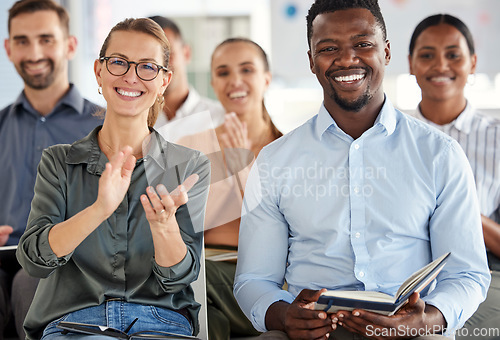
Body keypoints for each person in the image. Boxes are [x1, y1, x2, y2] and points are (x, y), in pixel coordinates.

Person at [234, 0, 491, 339]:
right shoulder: (274, 161)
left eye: (363, 44)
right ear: (311, 61)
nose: (346, 59)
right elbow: (254, 280)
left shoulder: (439, 154)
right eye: (328, 48)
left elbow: (467, 274)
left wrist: (425, 320)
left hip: (412, 331)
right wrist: (283, 316)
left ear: (385, 52)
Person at [15, 17, 210, 340]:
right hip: (74, 324)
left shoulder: (188, 165)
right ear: (99, 72)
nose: (131, 77)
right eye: (118, 62)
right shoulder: (59, 161)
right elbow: (35, 261)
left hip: (160, 323)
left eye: (147, 67)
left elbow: (179, 279)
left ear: (164, 80)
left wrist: (163, 227)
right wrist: (99, 209)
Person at [0, 0, 103, 339]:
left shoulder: (104, 127)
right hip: (4, 255)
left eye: (46, 39)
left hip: (71, 259)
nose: (34, 53)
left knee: (31, 282)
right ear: (8, 49)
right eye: (22, 41)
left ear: (70, 45)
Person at [407, 14, 500, 339]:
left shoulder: (496, 139)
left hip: (481, 276)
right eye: (427, 54)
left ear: (472, 63)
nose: (440, 65)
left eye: (453, 54)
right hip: (402, 277)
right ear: (410, 63)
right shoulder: (388, 135)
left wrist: (456, 211)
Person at [147, 15, 224, 128]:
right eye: (149, 60)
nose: (161, 66)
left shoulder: (219, 119)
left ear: (186, 53)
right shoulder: (135, 121)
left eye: (168, 55)